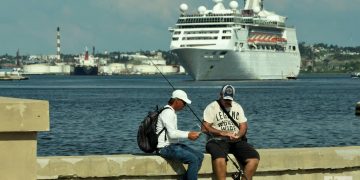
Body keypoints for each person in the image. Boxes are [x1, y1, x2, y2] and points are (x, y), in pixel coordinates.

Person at [202, 85, 260, 180]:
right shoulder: (212, 107)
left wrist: (239, 135)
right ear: (220, 95)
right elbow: (204, 128)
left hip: (236, 141)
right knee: (220, 158)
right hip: (217, 140)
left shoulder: (237, 107)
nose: (227, 102)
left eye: (229, 100)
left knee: (254, 158)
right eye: (225, 99)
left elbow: (244, 126)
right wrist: (223, 133)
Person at [157, 89, 204, 180]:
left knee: (200, 156)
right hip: (164, 148)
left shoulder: (171, 112)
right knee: (193, 159)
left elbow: (173, 132)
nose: (185, 105)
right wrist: (188, 135)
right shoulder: (167, 113)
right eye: (184, 103)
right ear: (177, 100)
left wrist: (189, 134)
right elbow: (172, 134)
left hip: (173, 145)